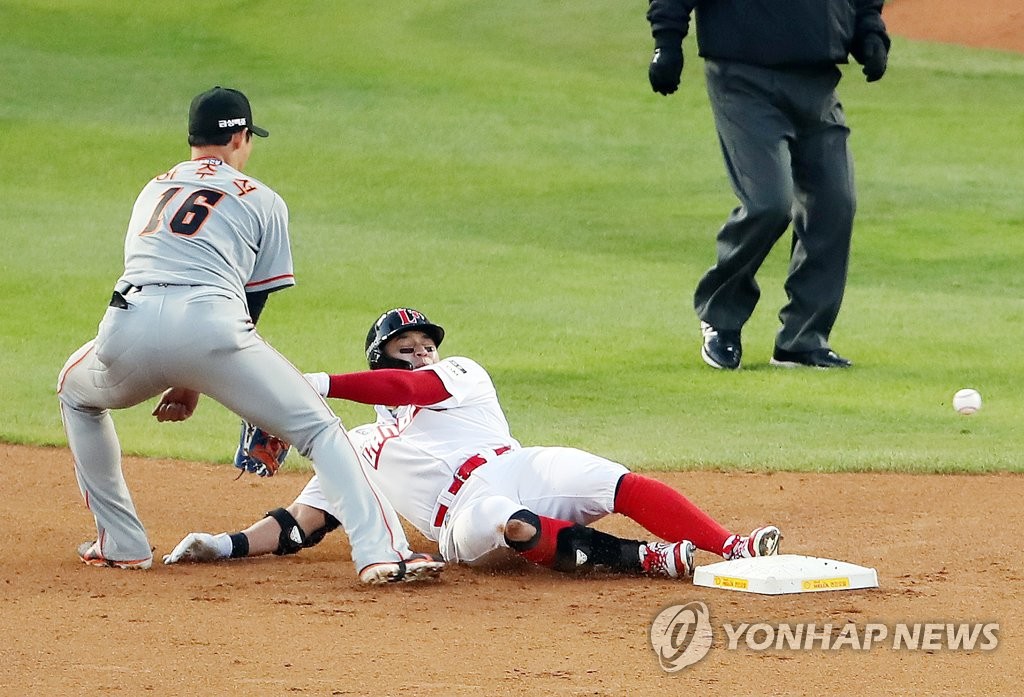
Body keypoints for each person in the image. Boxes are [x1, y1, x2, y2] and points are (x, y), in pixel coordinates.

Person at [56, 87, 443, 585]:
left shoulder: (153, 187)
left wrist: (181, 372)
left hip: (125, 323)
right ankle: (381, 554)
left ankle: (121, 544)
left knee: (75, 393)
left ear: (192, 137)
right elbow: (251, 302)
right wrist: (198, 375)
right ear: (240, 136)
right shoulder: (263, 199)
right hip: (212, 324)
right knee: (321, 431)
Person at [163, 307, 781, 579]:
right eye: (407, 347)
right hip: (462, 519)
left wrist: (305, 384)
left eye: (426, 343)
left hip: (517, 464)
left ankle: (730, 543)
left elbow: (412, 386)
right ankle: (645, 560)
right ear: (380, 358)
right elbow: (301, 524)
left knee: (607, 477)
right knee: (511, 523)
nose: (423, 351)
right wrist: (222, 545)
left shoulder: (459, 374)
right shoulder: (354, 442)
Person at [645, 0, 891, 370]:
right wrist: (667, 41)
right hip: (742, 74)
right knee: (768, 203)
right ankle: (720, 315)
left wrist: (869, 28)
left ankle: (802, 339)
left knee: (834, 203)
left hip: (817, 79)